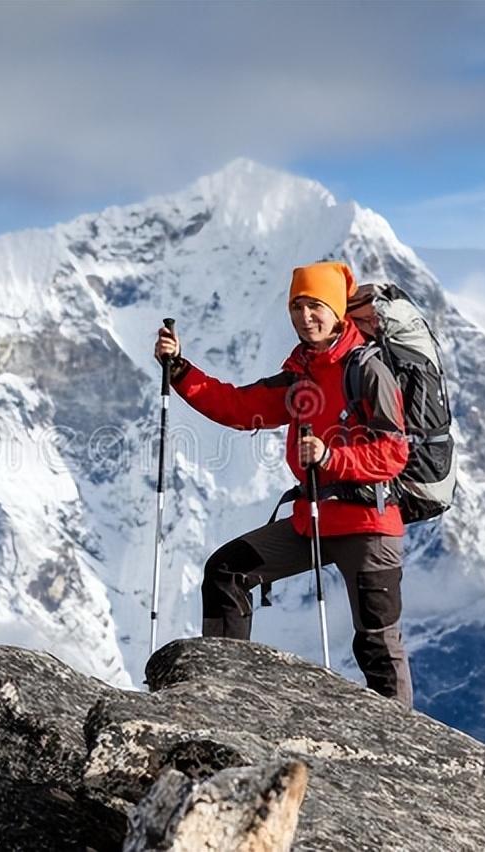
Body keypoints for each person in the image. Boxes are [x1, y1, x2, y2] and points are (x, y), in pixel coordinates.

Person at [154, 262, 413, 706]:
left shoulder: (367, 371)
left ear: (336, 312)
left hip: (368, 523)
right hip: (313, 519)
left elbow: (394, 453)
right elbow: (238, 407)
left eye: (315, 306)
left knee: (376, 643)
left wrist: (333, 457)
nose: (305, 316)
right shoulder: (300, 374)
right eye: (297, 306)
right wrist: (179, 368)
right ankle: (222, 693)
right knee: (226, 571)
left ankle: (404, 748)